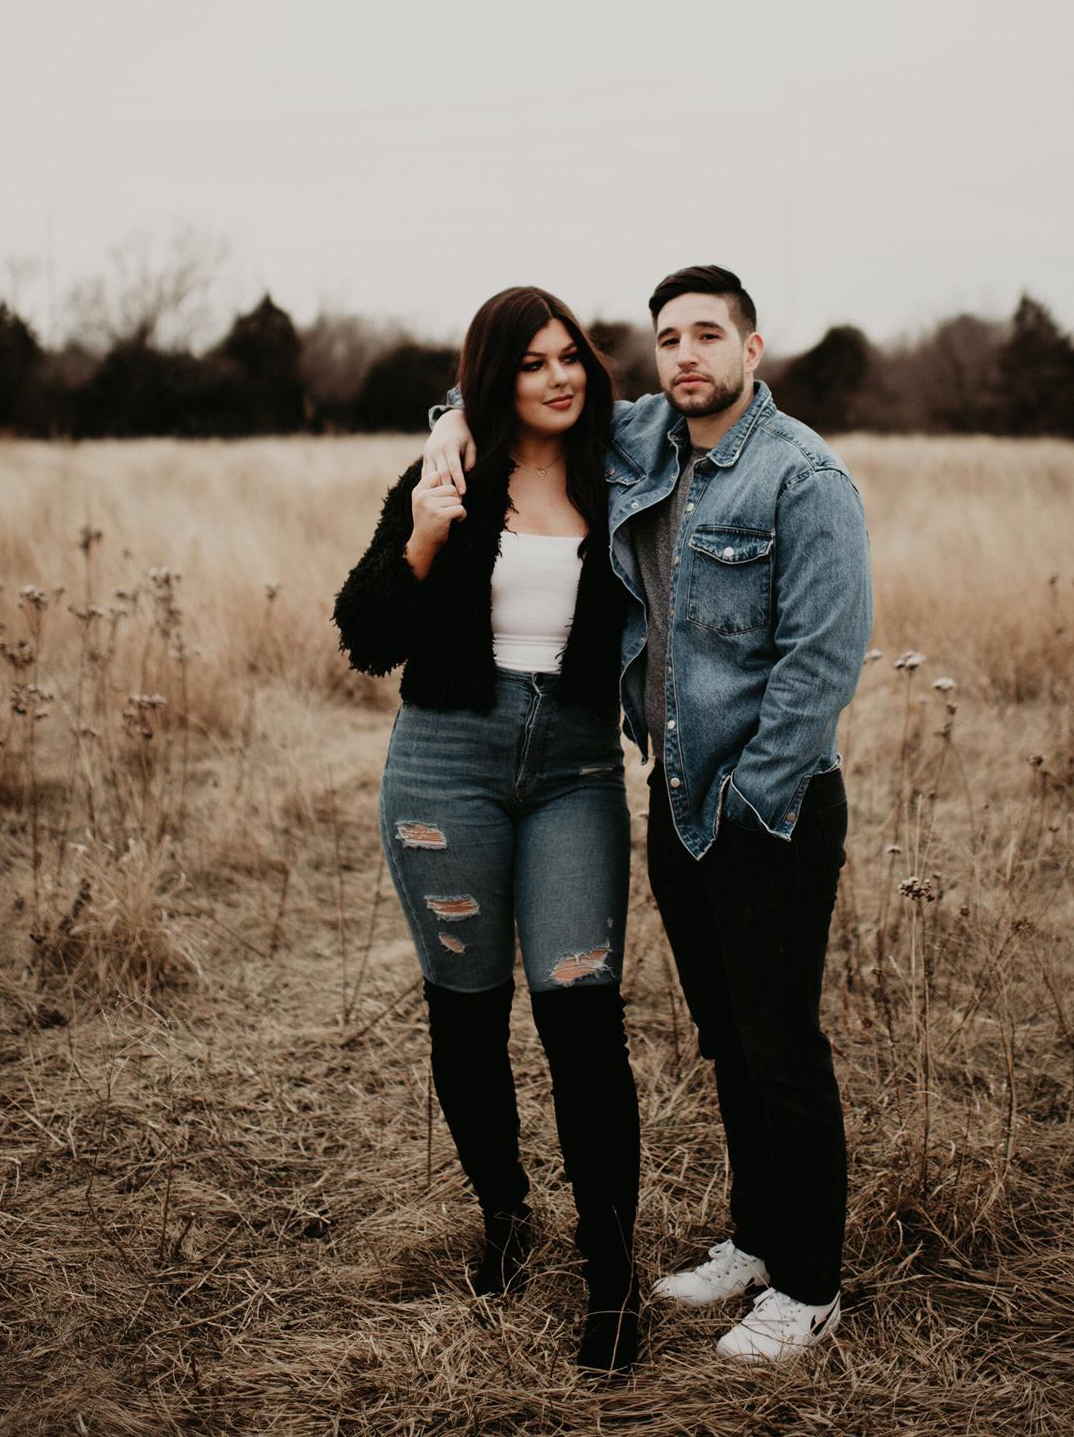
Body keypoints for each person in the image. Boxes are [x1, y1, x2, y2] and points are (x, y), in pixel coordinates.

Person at [425, 265, 872, 1363]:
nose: (686, 356)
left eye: (708, 335)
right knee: (727, 1040)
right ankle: (756, 1239)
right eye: (669, 338)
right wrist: (446, 422)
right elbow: (514, 391)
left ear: (751, 349)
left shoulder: (804, 475)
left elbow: (820, 664)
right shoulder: (645, 440)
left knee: (780, 1044)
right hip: (674, 797)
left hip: (767, 808)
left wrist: (750, 801)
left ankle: (809, 1284)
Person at [332, 286, 641, 1374]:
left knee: (582, 1018)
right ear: (494, 378)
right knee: (467, 1012)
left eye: (571, 357)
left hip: (575, 769)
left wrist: (449, 413)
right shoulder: (446, 478)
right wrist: (425, 531)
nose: (559, 377)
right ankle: (504, 1216)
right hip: (446, 762)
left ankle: (611, 1278)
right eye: (531, 363)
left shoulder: (620, 468)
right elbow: (365, 635)